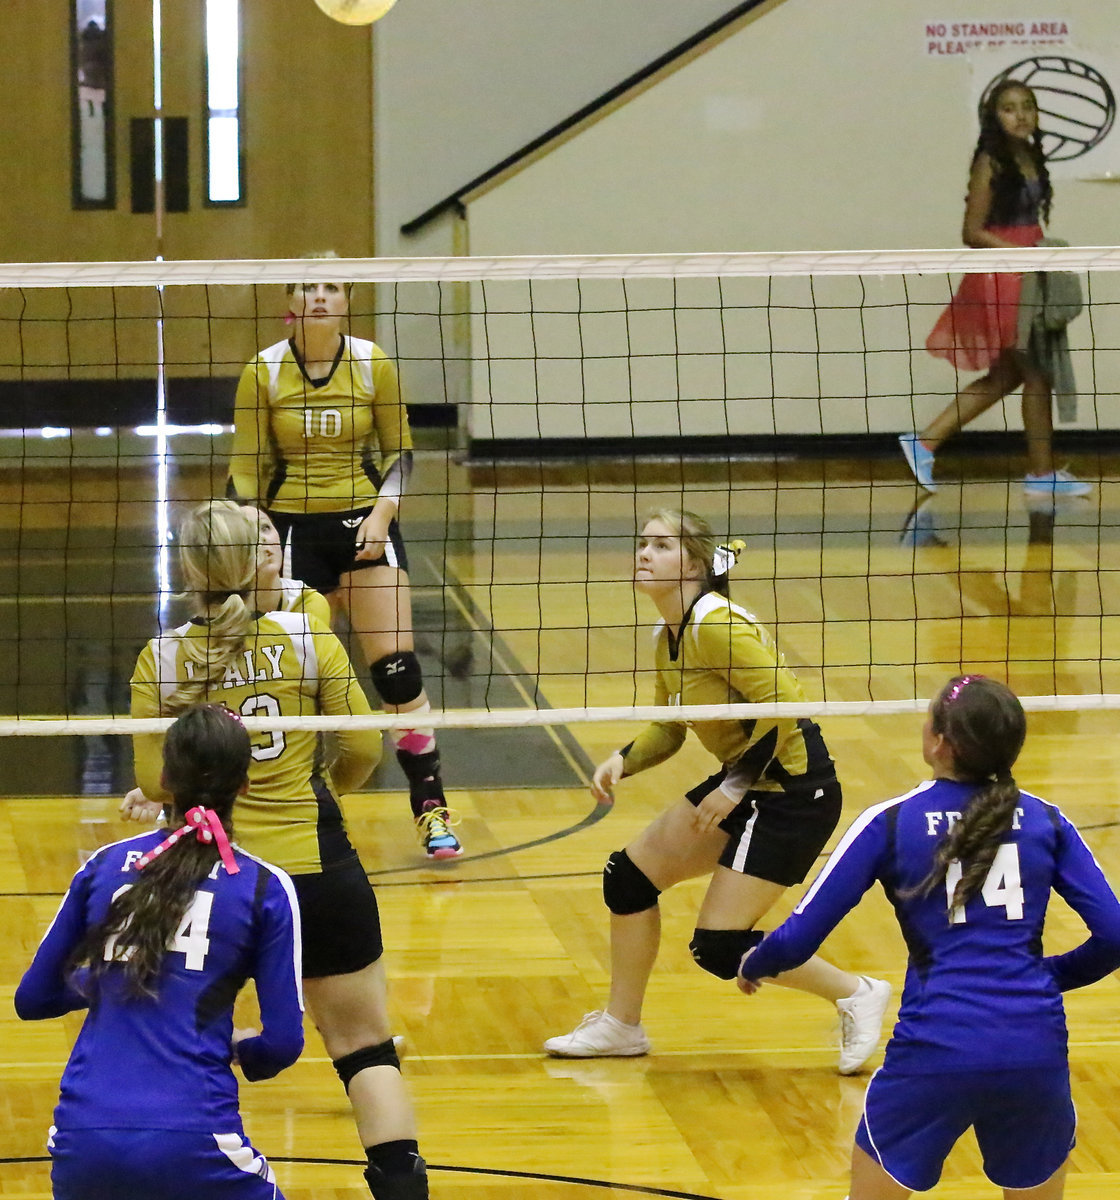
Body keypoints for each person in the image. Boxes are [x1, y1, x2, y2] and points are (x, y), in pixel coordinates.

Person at [127, 500, 430, 1200]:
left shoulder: (162, 657)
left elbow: (151, 780)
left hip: (210, 877)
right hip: (315, 862)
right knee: (364, 1048)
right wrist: (315, 791)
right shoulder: (306, 637)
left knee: (180, 1043)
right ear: (258, 561)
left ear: (189, 568)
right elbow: (362, 747)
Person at [738, 674, 1120, 1200]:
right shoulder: (1048, 821)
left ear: (940, 742)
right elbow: (1115, 936)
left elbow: (799, 937)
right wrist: (1046, 976)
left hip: (934, 1049)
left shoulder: (889, 822)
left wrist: (757, 962)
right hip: (1033, 1049)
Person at [543, 508, 890, 1072]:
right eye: (642, 543)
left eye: (659, 545)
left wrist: (733, 786)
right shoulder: (670, 634)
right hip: (750, 781)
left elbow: (787, 704)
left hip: (793, 794)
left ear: (695, 564)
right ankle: (620, 1026)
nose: (643, 553)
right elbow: (672, 726)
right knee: (628, 879)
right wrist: (622, 760)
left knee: (718, 948)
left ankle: (856, 991)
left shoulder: (717, 625)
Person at [16, 704, 304, 1200]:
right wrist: (241, 1050)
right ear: (244, 786)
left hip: (83, 1140)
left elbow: (33, 998)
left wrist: (110, 977)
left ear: (164, 778)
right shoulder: (264, 887)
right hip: (197, 1137)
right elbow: (282, 1043)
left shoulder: (102, 866)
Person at [227, 257, 460, 859]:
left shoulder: (372, 362)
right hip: (292, 533)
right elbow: (247, 466)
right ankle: (271, 804)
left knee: (397, 673)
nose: (322, 296)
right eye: (309, 286)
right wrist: (252, 530)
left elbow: (401, 453)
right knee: (287, 674)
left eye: (333, 287)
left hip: (365, 525)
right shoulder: (264, 370)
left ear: (347, 301)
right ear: (291, 300)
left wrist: (383, 517)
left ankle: (431, 810)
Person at [900, 80, 1090, 499]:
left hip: (1030, 272)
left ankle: (934, 443)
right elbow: (972, 231)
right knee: (1033, 371)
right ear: (994, 116)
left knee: (1014, 374)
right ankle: (1030, 472)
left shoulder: (1029, 154)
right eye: (1009, 108)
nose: (1020, 115)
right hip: (1003, 276)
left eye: (1027, 106)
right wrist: (1020, 256)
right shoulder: (990, 160)